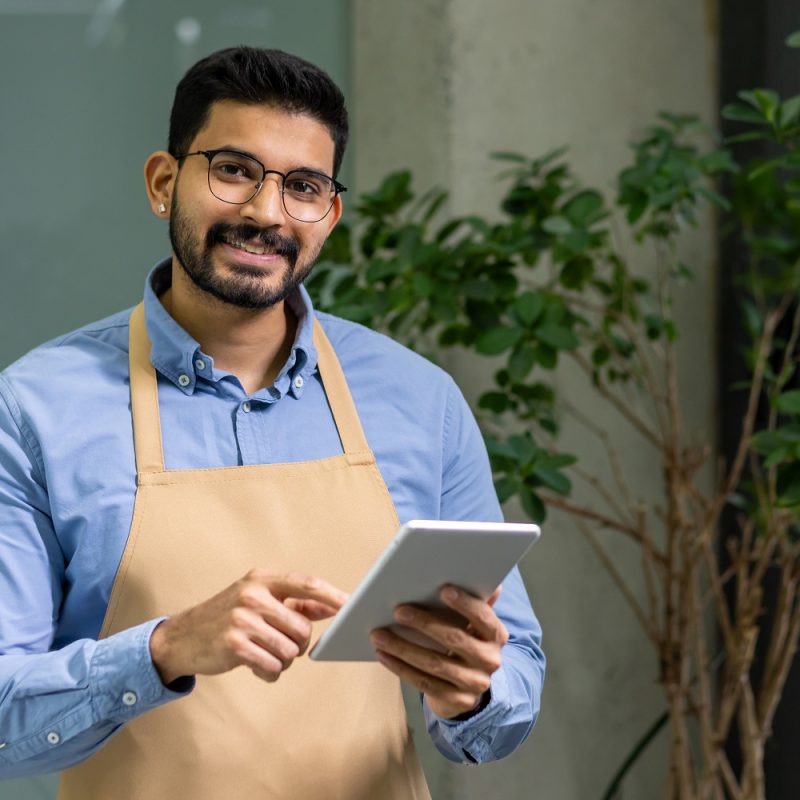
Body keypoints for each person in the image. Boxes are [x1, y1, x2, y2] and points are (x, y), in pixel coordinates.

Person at [0, 47, 544, 799]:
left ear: (329, 214)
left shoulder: (421, 401)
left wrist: (472, 694)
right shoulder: (34, 410)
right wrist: (165, 650)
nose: (266, 212)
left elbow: (514, 676)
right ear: (165, 182)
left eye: (304, 187)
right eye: (233, 170)